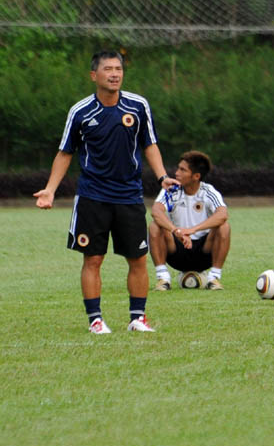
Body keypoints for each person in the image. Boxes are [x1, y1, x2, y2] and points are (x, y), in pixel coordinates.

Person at [34, 50, 179, 334]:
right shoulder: (80, 111)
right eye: (108, 69)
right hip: (93, 196)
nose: (114, 74)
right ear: (94, 75)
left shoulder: (138, 106)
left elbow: (150, 144)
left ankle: (137, 318)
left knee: (137, 258)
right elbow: (65, 152)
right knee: (93, 259)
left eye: (118, 69)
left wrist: (162, 176)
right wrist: (50, 190)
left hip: (129, 195)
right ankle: (95, 320)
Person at [149, 151, 230, 291]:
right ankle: (163, 279)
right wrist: (176, 230)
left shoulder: (208, 191)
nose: (176, 173)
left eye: (183, 170)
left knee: (224, 226)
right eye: (178, 168)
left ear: (196, 176)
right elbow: (156, 211)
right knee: (155, 225)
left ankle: (214, 279)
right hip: (176, 251)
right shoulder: (171, 189)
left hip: (204, 253)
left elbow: (222, 214)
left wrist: (192, 230)